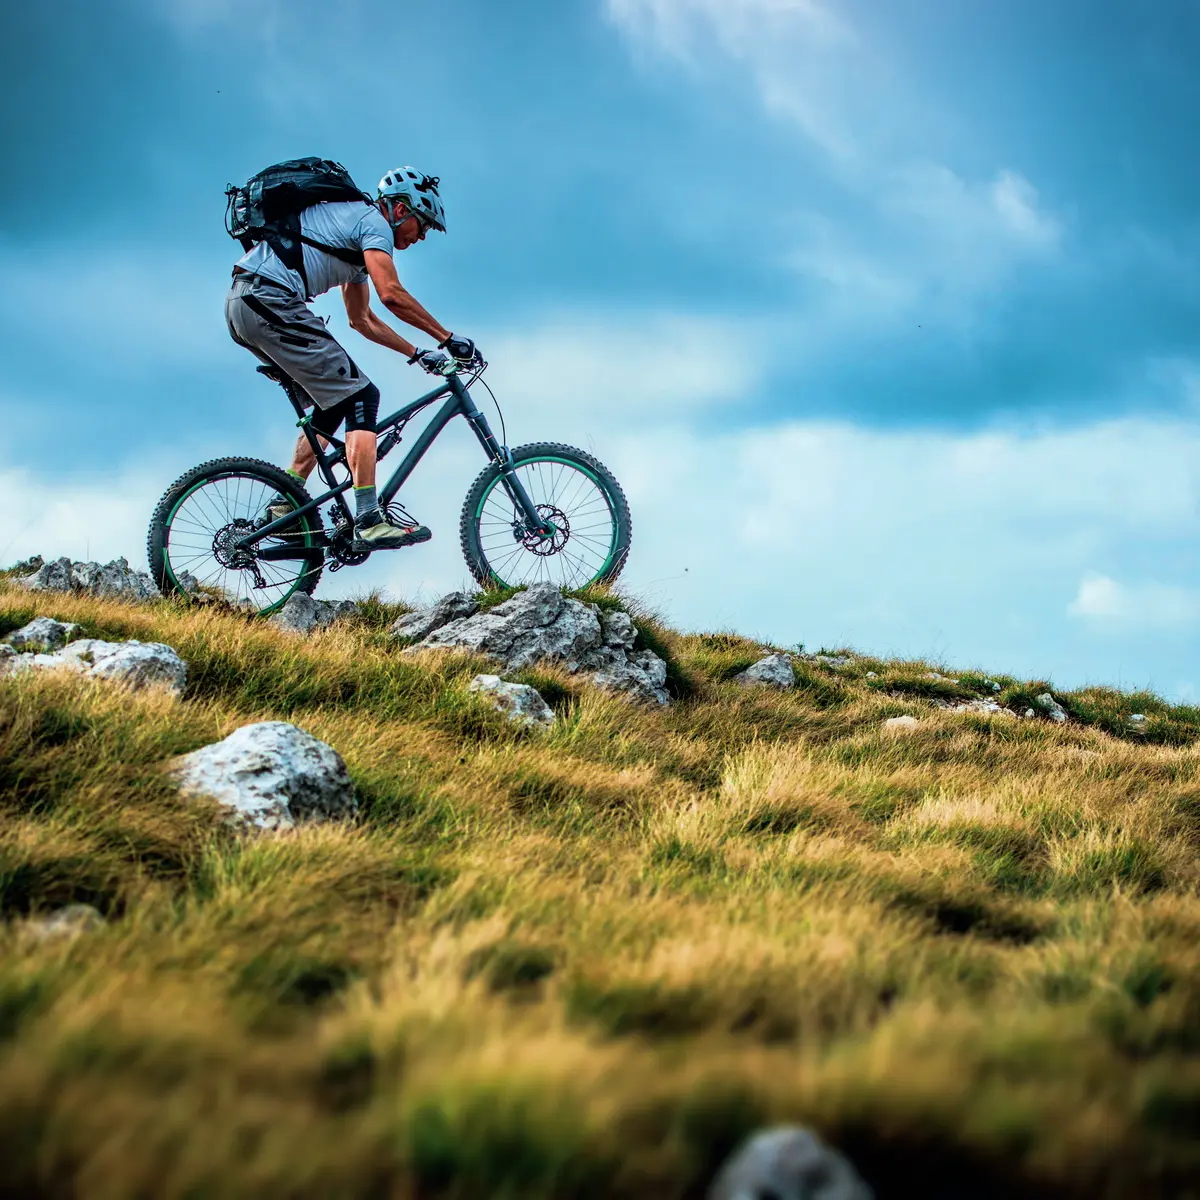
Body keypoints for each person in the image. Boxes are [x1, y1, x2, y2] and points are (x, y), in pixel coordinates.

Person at [224, 165, 479, 550]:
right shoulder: (372, 223)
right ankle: (368, 520)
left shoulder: (356, 235)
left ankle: (284, 503)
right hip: (269, 299)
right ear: (400, 210)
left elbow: (361, 319)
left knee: (335, 400)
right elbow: (391, 294)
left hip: (246, 303)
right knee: (363, 396)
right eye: (422, 224)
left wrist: (417, 353)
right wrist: (448, 338)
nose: (422, 236)